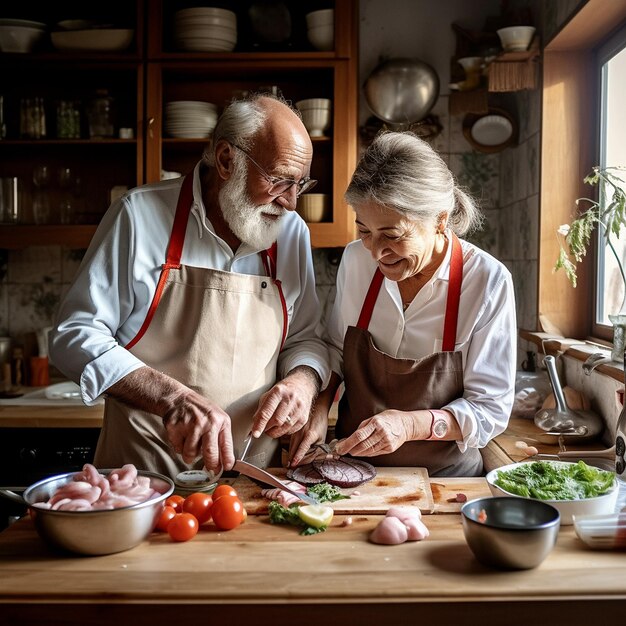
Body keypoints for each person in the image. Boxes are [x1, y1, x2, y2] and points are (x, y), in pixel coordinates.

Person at [49, 94, 330, 478]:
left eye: (300, 184)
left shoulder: (290, 232)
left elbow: (307, 338)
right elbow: (73, 335)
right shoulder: (139, 216)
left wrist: (303, 381)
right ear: (227, 160)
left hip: (249, 479)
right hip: (143, 477)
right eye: (279, 180)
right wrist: (171, 398)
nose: (292, 203)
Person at [290, 131, 516, 476]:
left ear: (440, 220)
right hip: (351, 470)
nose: (376, 252)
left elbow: (490, 409)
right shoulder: (355, 261)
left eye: (392, 236)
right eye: (365, 231)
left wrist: (410, 426)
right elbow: (336, 349)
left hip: (444, 479)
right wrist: (319, 410)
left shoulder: (487, 281)